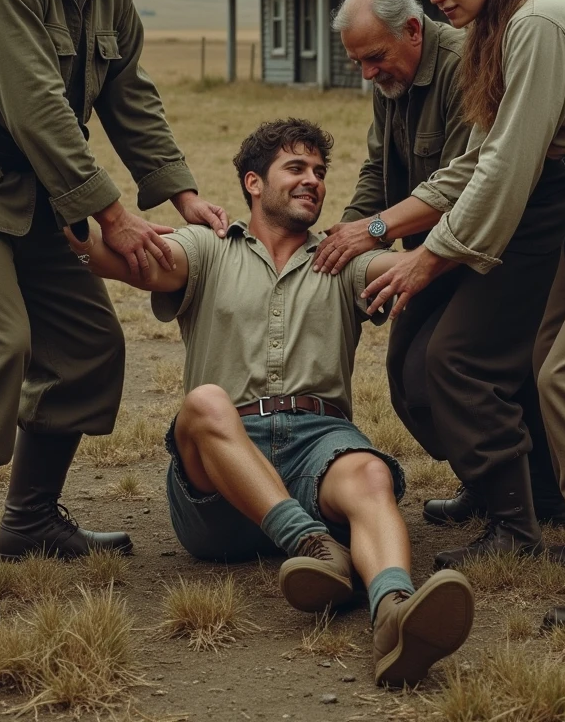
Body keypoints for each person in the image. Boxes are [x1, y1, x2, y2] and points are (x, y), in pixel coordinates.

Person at [68, 118, 475, 687]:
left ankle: (395, 615)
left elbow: (426, 264)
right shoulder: (208, 249)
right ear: (253, 183)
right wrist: (64, 201)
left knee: (369, 475)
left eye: (319, 172)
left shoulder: (344, 260)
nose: (312, 180)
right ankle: (310, 544)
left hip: (318, 446)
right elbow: (109, 256)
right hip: (221, 475)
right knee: (204, 402)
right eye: (296, 168)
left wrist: (464, 206)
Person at [318, 0, 565, 630]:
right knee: (548, 357)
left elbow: (507, 166)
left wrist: (430, 257)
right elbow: (489, 159)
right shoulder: (507, 29)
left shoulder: (539, 23)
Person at [0, 0, 228, 625]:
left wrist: (183, 197)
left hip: (38, 195)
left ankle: (29, 522)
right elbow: (34, 102)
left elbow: (130, 100)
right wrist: (111, 212)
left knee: (87, 346)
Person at [315, 0, 565, 533]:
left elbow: (468, 186)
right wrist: (350, 229)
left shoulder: (466, 66)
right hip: (438, 242)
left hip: (503, 240)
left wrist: (378, 229)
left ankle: (519, 518)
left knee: (454, 364)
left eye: (375, 57)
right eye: (358, 61)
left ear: (413, 30)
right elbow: (378, 167)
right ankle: (498, 484)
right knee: (409, 373)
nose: (368, 72)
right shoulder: (390, 79)